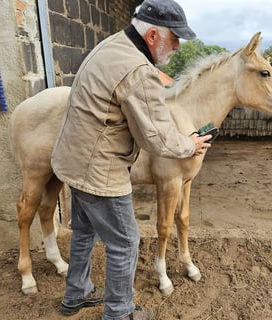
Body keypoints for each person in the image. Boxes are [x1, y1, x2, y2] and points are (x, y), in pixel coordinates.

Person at [51, 1, 212, 319]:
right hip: (98, 168)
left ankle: (77, 294)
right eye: (175, 39)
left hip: (73, 159)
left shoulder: (112, 45)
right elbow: (157, 137)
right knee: (126, 242)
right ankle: (120, 313)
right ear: (152, 35)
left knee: (84, 231)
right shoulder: (138, 70)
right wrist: (189, 144)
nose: (178, 47)